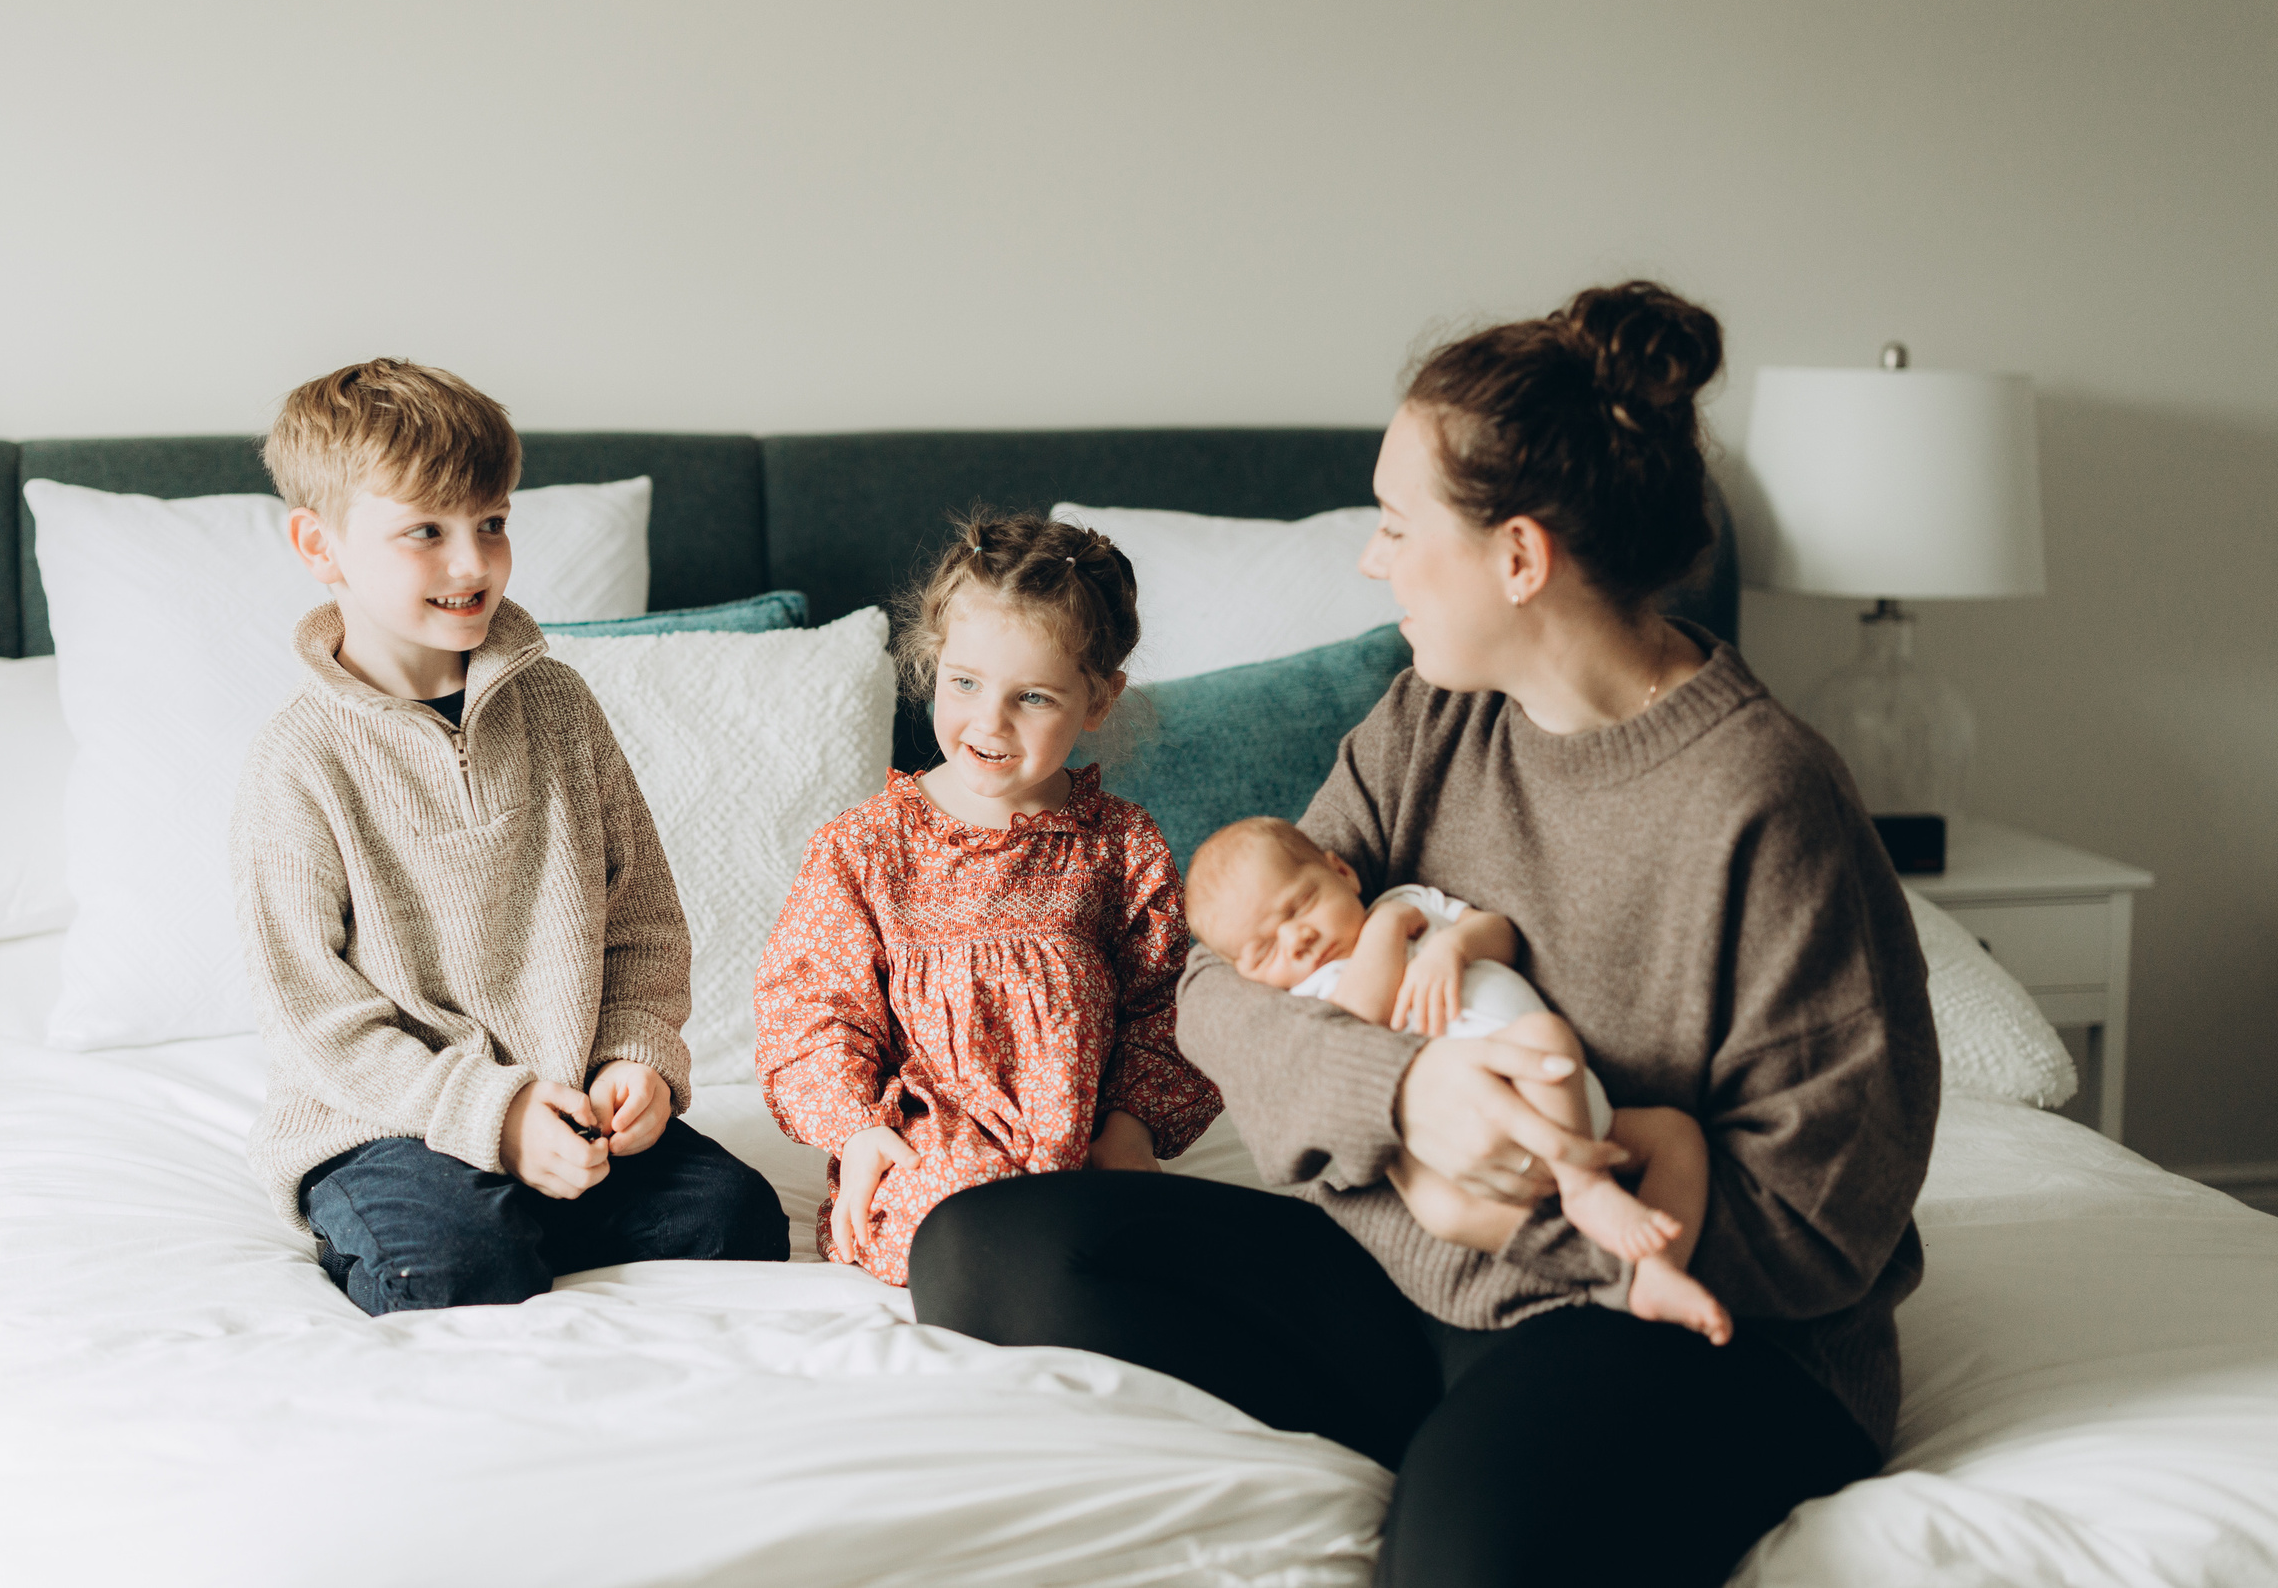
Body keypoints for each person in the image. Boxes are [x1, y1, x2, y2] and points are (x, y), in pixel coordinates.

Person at [906, 283, 1939, 1588]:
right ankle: (1476, 1423)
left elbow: (1822, 1218)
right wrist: (1406, 1098)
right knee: (984, 1249)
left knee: (1461, 1553)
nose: (1371, 560)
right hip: (1420, 1281)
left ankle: (1492, 1447)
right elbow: (1220, 983)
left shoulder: (1767, 796)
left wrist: (1488, 1202)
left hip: (1693, 1327)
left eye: (1396, 525)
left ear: (1519, 557)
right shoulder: (1427, 722)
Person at [230, 358, 786, 1315]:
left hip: (568, 1104)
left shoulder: (560, 707)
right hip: (386, 1122)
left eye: (492, 523)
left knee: (739, 1220)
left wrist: (636, 1057)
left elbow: (641, 920)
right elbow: (317, 1015)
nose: (472, 563)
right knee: (455, 1269)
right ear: (318, 544)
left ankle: (536, 1205)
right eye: (427, 532)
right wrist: (496, 1115)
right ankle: (470, 1222)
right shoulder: (300, 759)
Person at [754, 512, 1223, 1284]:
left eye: (1033, 696)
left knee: (1156, 1248)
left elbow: (1167, 1004)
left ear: (1099, 701)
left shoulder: (1119, 845)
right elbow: (812, 1009)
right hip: (925, 1145)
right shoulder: (867, 847)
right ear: (935, 664)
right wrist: (856, 1131)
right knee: (958, 1225)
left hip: (1081, 1149)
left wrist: (1130, 1130)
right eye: (964, 682)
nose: (989, 721)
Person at [1187, 815, 1729, 1343]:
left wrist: (1454, 946)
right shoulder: (1310, 994)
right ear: (1249, 978)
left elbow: (1499, 932)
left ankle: (1656, 1275)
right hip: (1476, 1143)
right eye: (1265, 950)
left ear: (1342, 872)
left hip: (1571, 1105)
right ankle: (1589, 1195)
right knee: (1544, 1040)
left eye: (1299, 904)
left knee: (1675, 1135)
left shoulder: (1408, 900)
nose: (1297, 939)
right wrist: (1385, 929)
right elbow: (1361, 1015)